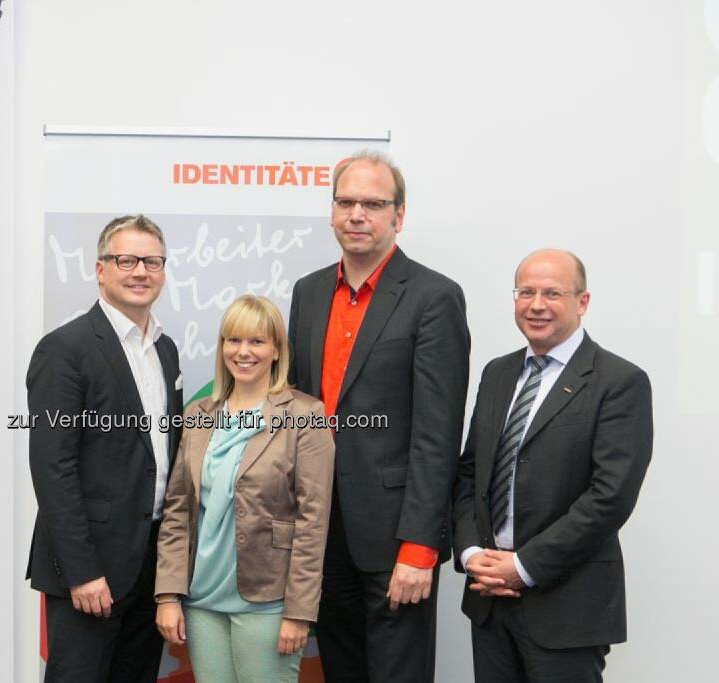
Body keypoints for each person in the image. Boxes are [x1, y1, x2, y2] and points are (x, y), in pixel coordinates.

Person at [286, 151, 470, 682]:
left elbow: (438, 434)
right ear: (332, 212)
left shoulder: (435, 297)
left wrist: (420, 546)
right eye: (346, 202)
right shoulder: (309, 291)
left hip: (394, 538)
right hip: (321, 533)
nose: (357, 214)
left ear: (399, 216)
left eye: (373, 203)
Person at [453, 249, 652, 682]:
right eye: (526, 292)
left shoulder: (619, 382)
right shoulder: (498, 373)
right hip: (489, 599)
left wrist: (523, 567)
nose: (536, 304)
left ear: (582, 302)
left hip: (567, 606)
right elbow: (470, 473)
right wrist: (471, 554)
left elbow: (610, 497)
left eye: (552, 293)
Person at [25, 214, 183, 682]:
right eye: (126, 260)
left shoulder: (165, 349)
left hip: (149, 567)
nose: (140, 272)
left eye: (152, 261)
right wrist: (81, 571)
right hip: (90, 570)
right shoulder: (64, 349)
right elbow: (53, 468)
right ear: (100, 269)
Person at [154, 295, 335, 683]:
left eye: (256, 341)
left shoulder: (305, 416)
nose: (243, 351)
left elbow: (313, 521)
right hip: (201, 601)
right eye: (233, 340)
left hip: (268, 605)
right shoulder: (198, 416)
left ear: (276, 350)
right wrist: (168, 595)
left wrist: (299, 612)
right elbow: (177, 512)